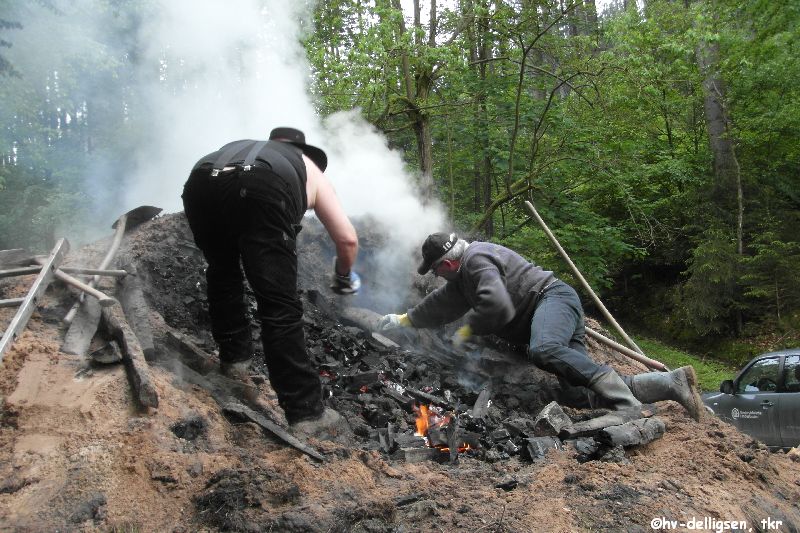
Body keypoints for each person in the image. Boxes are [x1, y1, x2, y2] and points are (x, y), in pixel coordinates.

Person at [378, 232, 702, 420]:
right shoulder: (463, 277)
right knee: (576, 392)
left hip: (552, 300)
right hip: (553, 309)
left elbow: (497, 304)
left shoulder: (476, 261)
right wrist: (405, 320)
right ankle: (669, 383)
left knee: (543, 349)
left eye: (436, 270)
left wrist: (467, 329)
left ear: (447, 263)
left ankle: (628, 407)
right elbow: (441, 303)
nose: (437, 276)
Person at [182, 127, 360, 436]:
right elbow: (347, 241)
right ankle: (306, 413)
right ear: (303, 151)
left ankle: (234, 362)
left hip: (200, 184)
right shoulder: (309, 168)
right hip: (262, 189)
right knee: (278, 303)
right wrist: (343, 277)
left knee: (223, 272)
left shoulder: (244, 146)